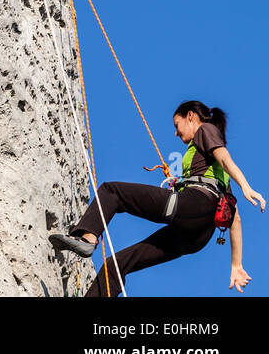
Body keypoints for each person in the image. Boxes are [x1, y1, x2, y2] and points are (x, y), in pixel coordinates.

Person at [49, 100, 265, 297]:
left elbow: (225, 158)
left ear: (190, 116)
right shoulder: (218, 177)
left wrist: (245, 186)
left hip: (193, 206)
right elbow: (233, 218)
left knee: (111, 191)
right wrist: (236, 265)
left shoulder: (205, 130)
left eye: (176, 125)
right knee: (116, 265)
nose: (175, 133)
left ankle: (87, 239)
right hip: (196, 236)